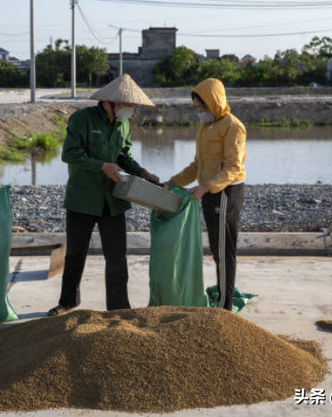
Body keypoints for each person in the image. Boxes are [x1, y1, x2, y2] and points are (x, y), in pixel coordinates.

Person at [48, 74, 160, 317]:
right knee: (76, 253)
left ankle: (119, 307)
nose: (131, 110)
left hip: (114, 200)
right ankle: (67, 301)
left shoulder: (124, 125)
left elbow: (123, 156)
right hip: (82, 199)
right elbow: (70, 154)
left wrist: (142, 172)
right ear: (112, 102)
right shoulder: (82, 119)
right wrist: (102, 166)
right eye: (129, 105)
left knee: (117, 256)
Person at [164, 78, 246, 311]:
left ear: (214, 102)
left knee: (223, 250)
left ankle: (224, 306)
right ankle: (223, 296)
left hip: (225, 192)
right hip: (209, 192)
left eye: (202, 107)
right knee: (216, 248)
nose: (199, 112)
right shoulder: (206, 127)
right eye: (197, 107)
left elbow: (233, 168)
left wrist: (205, 187)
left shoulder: (233, 126)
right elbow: (197, 166)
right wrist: (172, 182)